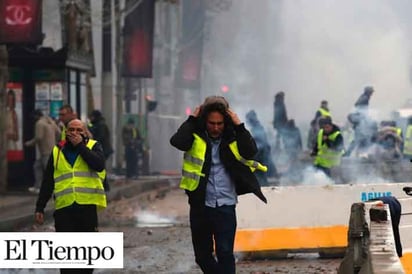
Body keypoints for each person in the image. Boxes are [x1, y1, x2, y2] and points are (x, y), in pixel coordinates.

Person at [170, 95, 267, 274]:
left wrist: (239, 125)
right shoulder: (195, 136)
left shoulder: (233, 137)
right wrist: (192, 119)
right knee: (202, 257)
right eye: (211, 123)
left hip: (225, 205)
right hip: (201, 206)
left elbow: (250, 151)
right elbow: (177, 141)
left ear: (226, 121)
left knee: (224, 253)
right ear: (204, 121)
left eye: (220, 123)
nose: (216, 128)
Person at [35, 119, 107, 274]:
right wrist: (39, 207)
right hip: (64, 210)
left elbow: (99, 164)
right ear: (65, 132)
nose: (74, 133)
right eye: (71, 130)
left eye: (79, 130)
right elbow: (48, 181)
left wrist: (80, 146)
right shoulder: (58, 151)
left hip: (86, 208)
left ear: (85, 132)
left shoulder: (94, 146)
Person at [24, 110, 61, 194]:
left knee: (48, 170)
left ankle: (52, 188)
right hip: (52, 148)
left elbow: (39, 137)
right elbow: (59, 133)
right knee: (37, 167)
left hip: (45, 150)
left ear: (36, 116)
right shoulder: (51, 122)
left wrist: (29, 143)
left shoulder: (39, 123)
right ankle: (38, 186)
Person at [245, 110, 278, 185]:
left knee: (260, 175)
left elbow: (260, 143)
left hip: (261, 155)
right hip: (261, 155)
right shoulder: (257, 127)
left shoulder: (257, 128)